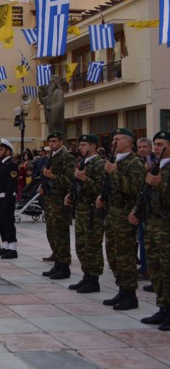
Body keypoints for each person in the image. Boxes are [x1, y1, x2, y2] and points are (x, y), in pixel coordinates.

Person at [97, 128, 144, 310]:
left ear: (128, 142)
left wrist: (114, 172)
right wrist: (101, 197)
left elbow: (133, 189)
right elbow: (108, 186)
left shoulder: (135, 163)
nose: (113, 142)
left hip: (125, 216)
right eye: (113, 139)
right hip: (111, 214)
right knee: (113, 254)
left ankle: (130, 295)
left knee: (125, 256)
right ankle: (122, 289)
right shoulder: (113, 160)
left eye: (117, 139)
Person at [135, 131, 170, 330]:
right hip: (152, 225)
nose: (156, 148)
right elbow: (145, 194)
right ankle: (163, 306)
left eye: (160, 144)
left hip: (166, 227)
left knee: (167, 270)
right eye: (155, 144)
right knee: (155, 269)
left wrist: (161, 184)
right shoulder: (155, 167)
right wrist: (136, 211)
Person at [64, 135, 105, 294]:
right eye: (79, 145)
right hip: (80, 211)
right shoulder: (81, 162)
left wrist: (85, 178)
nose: (80, 147)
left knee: (92, 246)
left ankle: (94, 279)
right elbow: (76, 184)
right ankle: (86, 276)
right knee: (81, 246)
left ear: (93, 147)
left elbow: (101, 190)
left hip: (92, 213)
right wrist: (70, 195)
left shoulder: (99, 164)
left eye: (83, 145)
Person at [40, 132, 76, 279]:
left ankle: (64, 265)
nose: (52, 144)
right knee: (52, 232)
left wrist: (51, 176)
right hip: (50, 200)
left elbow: (69, 179)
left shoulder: (67, 156)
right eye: (50, 141)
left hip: (60, 201)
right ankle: (57, 262)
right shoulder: (52, 156)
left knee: (61, 234)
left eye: (55, 141)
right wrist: (43, 185)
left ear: (61, 141)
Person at [0, 140, 19, 259]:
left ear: (8, 151)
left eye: (1, 150)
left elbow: (11, 184)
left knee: (8, 223)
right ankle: (5, 246)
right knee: (1, 223)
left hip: (7, 198)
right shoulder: (0, 164)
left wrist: (6, 200)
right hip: (0, 198)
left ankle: (12, 249)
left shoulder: (11, 164)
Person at [136, 137, 154, 280]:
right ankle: (143, 266)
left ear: (150, 147)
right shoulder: (137, 162)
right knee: (141, 238)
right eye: (140, 147)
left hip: (152, 207)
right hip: (139, 205)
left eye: (145, 147)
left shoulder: (154, 161)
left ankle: (149, 268)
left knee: (149, 239)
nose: (142, 149)